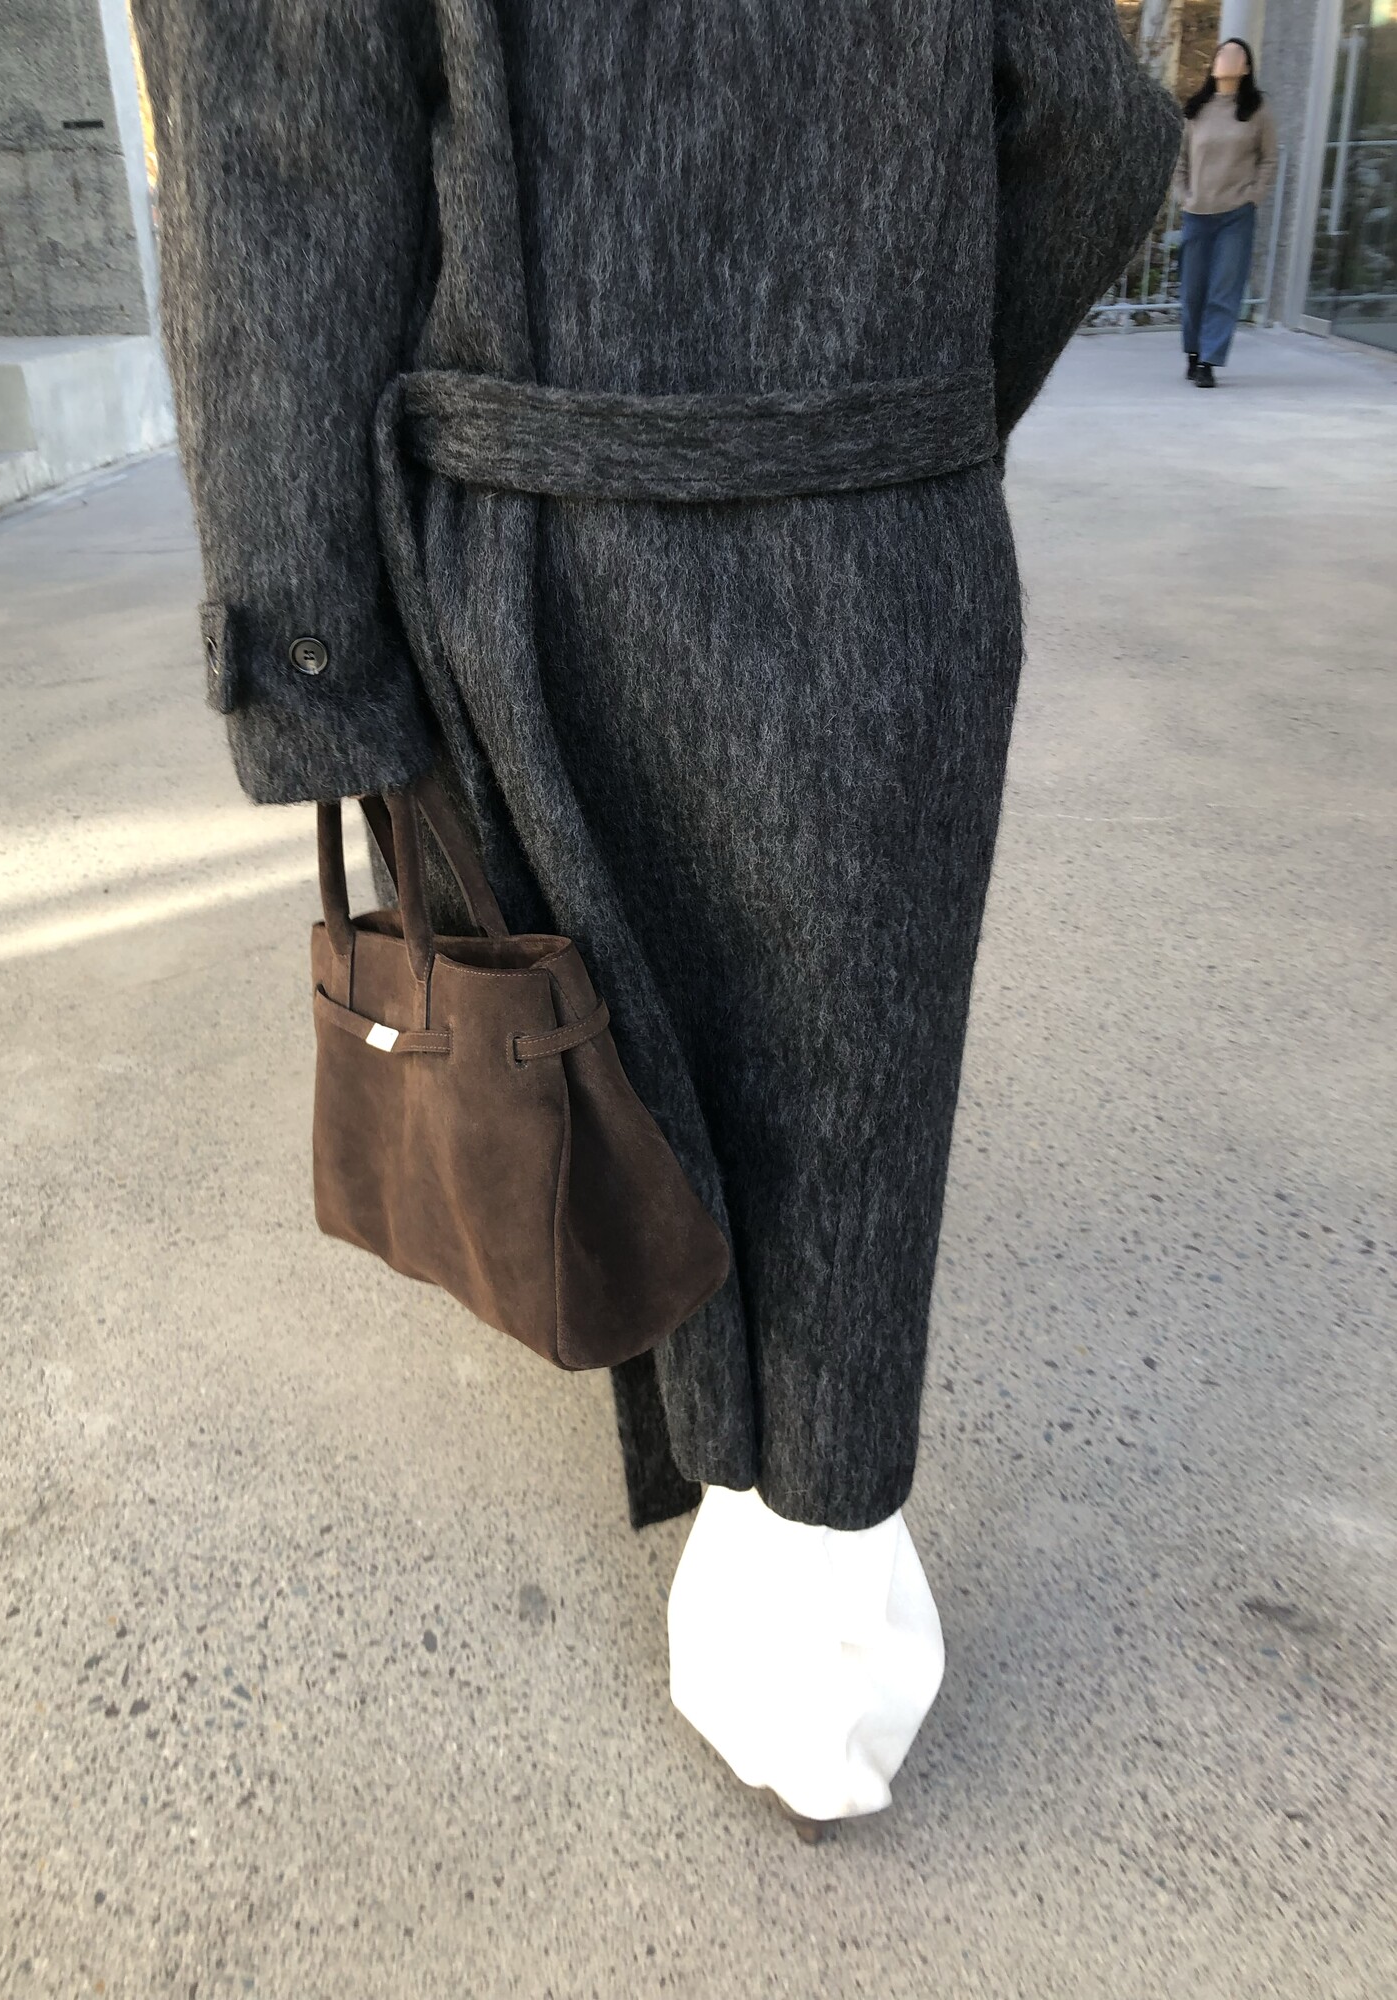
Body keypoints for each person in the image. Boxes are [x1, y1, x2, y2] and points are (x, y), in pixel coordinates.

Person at [133, 0, 1180, 1834]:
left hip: (547, 554)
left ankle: (756, 1551)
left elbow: (283, 177)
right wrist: (902, 422)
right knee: (850, 1102)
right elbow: (1096, 130)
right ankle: (825, 1607)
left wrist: (308, 651)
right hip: (887, 544)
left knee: (593, 1046)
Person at [1175, 37, 1278, 387]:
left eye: (1235, 55)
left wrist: (1254, 195)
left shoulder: (1257, 110)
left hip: (1236, 214)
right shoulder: (1197, 109)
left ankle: (1208, 361)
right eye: (1221, 53)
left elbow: (1269, 159)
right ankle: (1192, 352)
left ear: (1246, 67)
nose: (1226, 58)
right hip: (1197, 213)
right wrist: (1184, 196)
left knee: (1224, 289)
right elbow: (1180, 160)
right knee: (1193, 290)